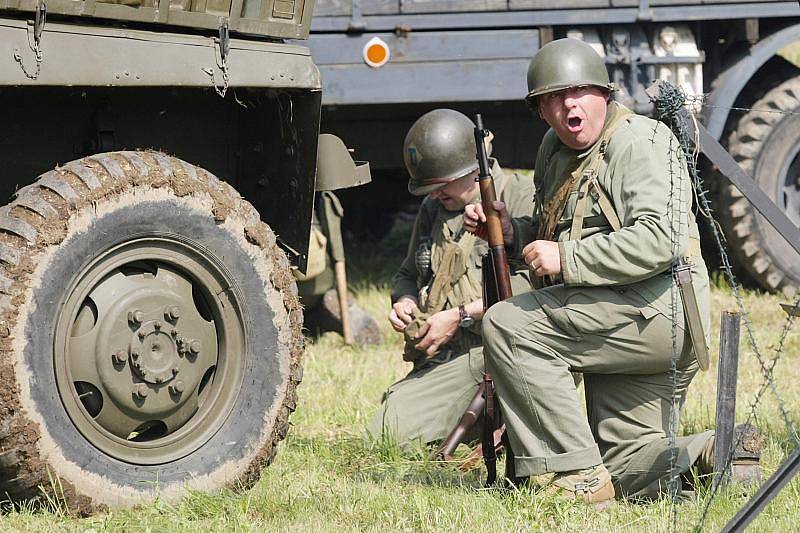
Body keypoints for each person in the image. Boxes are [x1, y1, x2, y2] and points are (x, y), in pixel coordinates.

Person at [464, 38, 723, 503]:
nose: (569, 105)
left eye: (581, 91)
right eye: (555, 98)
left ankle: (577, 478)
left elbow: (662, 239)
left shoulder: (640, 141)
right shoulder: (555, 149)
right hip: (618, 313)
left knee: (509, 324)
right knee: (623, 459)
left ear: (604, 94)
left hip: (660, 312)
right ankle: (711, 453)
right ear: (540, 109)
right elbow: (560, 224)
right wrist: (510, 231)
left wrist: (566, 258)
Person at [370, 108, 534, 446]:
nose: (433, 196)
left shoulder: (519, 197)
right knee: (387, 425)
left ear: (474, 172)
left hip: (496, 351)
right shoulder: (435, 209)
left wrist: (459, 316)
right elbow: (407, 274)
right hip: (444, 355)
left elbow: (534, 288)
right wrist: (404, 300)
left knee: (392, 431)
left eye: (441, 186)